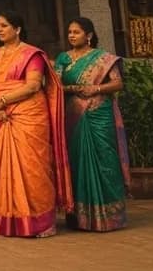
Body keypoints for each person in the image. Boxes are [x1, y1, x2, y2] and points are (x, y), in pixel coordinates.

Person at [0, 13, 72, 238]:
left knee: (33, 167)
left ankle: (41, 222)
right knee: (6, 168)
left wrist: (2, 102)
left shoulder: (32, 55)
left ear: (18, 29)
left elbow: (32, 86)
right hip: (0, 114)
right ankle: (12, 220)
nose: (0, 30)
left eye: (4, 26)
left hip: (28, 114)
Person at [56, 17, 129, 232]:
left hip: (100, 114)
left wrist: (95, 89)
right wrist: (75, 89)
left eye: (76, 32)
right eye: (69, 32)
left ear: (88, 35)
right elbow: (56, 86)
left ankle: (110, 217)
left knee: (105, 159)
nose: (71, 35)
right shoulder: (63, 59)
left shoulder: (103, 59)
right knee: (78, 162)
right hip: (74, 116)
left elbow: (117, 83)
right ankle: (80, 217)